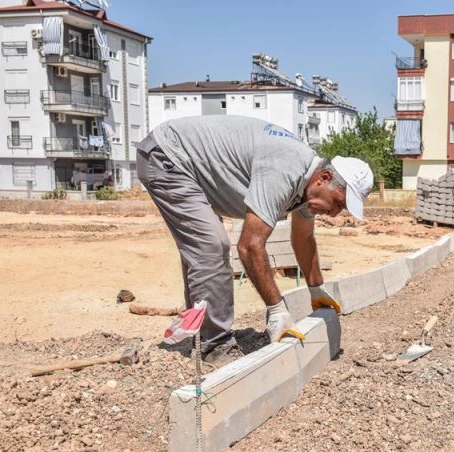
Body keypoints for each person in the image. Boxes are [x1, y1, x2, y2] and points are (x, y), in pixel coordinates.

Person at [136, 115, 373, 366]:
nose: (335, 214)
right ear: (323, 178)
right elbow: (250, 246)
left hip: (191, 165)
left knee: (204, 247)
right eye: (337, 203)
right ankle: (215, 344)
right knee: (210, 245)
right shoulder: (286, 170)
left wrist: (316, 289)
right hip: (169, 156)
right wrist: (276, 309)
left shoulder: (308, 187)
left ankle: (206, 331)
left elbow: (303, 238)